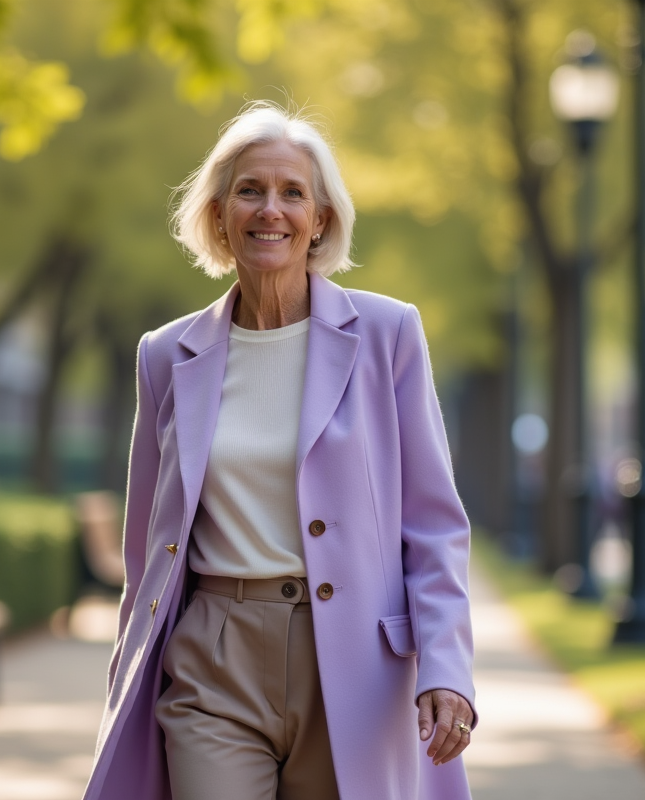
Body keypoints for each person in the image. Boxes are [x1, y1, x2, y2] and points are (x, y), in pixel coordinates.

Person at [83, 102, 476, 800]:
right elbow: (147, 549)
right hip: (214, 662)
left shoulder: (388, 335)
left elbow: (435, 526)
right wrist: (128, 676)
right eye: (250, 190)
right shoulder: (166, 355)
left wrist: (447, 666)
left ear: (321, 219)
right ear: (218, 214)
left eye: (294, 192)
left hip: (356, 666)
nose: (272, 210)